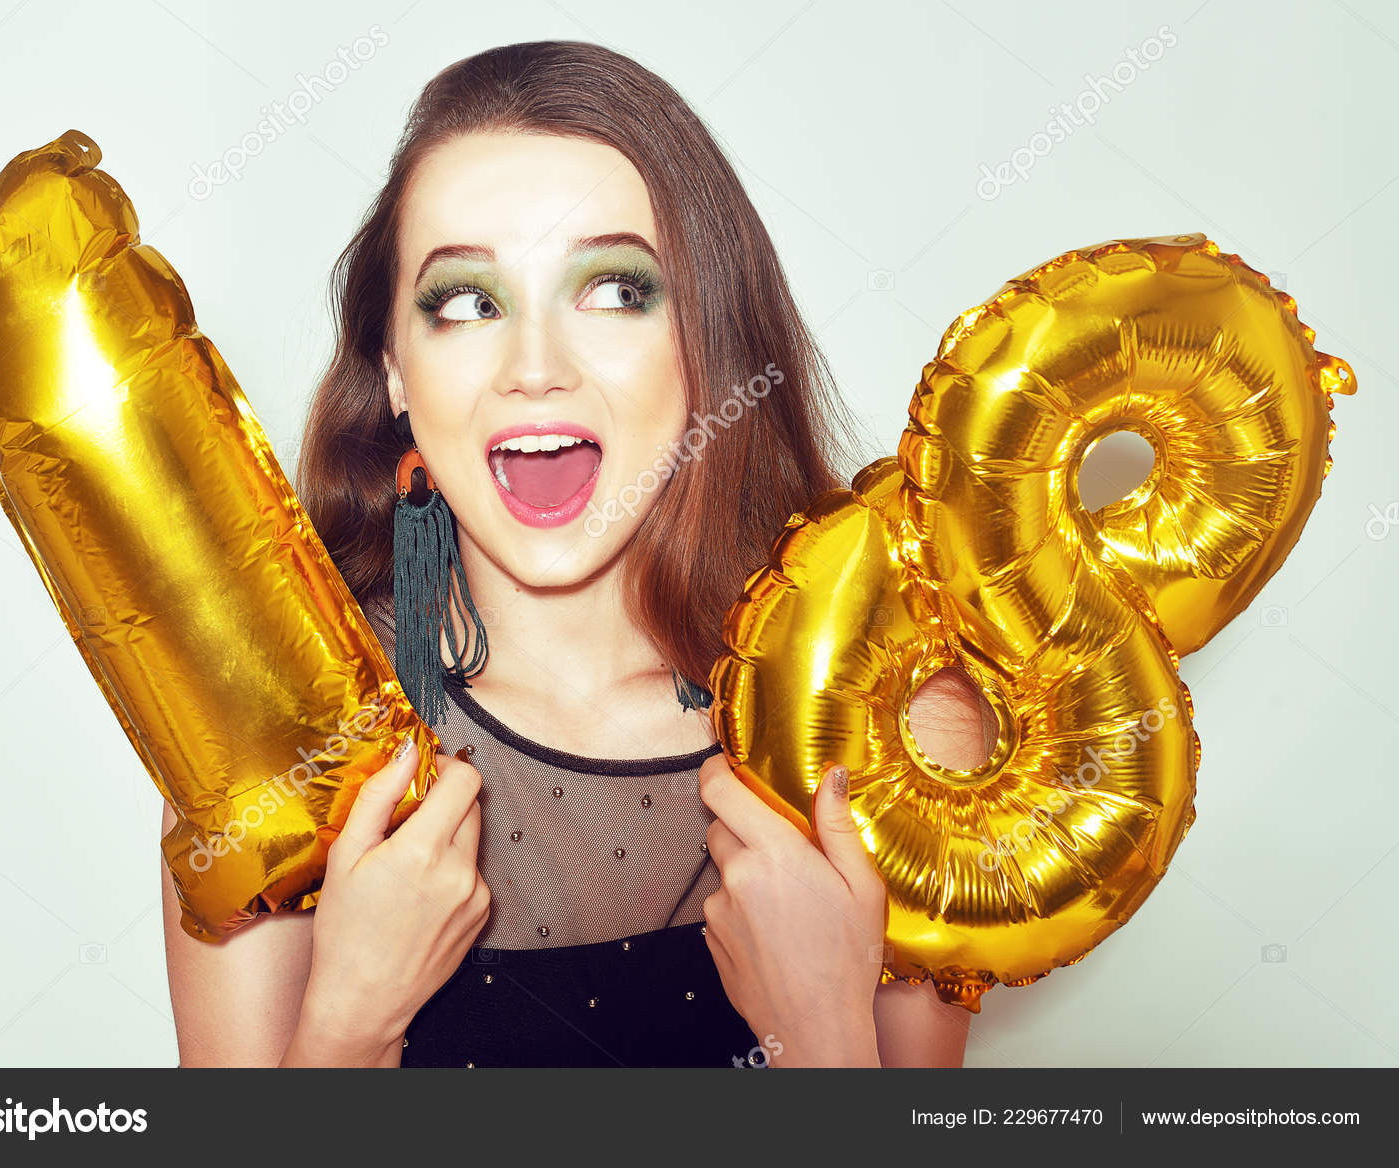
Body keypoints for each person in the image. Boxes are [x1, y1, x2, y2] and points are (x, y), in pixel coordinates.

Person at [162, 40, 986, 1067]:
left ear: (706, 344)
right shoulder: (278, 732)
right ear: (396, 371)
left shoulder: (894, 736)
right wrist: (348, 1023)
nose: (535, 369)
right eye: (465, 303)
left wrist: (822, 1032)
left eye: (612, 290)